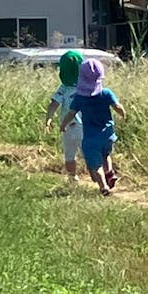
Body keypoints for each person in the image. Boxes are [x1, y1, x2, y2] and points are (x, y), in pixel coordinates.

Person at [60, 59, 125, 196]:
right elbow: (117, 107)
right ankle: (110, 172)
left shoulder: (80, 98)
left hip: (90, 137)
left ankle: (103, 186)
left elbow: (71, 113)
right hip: (108, 134)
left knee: (96, 165)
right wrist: (123, 114)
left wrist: (63, 124)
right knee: (106, 154)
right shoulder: (106, 93)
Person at [45, 50, 85, 182]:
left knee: (69, 155)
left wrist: (48, 119)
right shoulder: (87, 87)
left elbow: (53, 104)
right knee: (88, 154)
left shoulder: (64, 88)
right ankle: (98, 176)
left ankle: (72, 178)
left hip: (66, 127)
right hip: (84, 126)